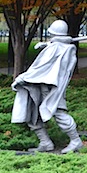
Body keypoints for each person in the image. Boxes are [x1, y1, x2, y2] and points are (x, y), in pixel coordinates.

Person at [11, 20, 83, 153]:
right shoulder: (62, 48)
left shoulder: (56, 49)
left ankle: (75, 140)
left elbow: (40, 68)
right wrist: (47, 45)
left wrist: (22, 77)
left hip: (50, 88)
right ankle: (45, 142)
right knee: (33, 112)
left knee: (58, 113)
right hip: (43, 86)